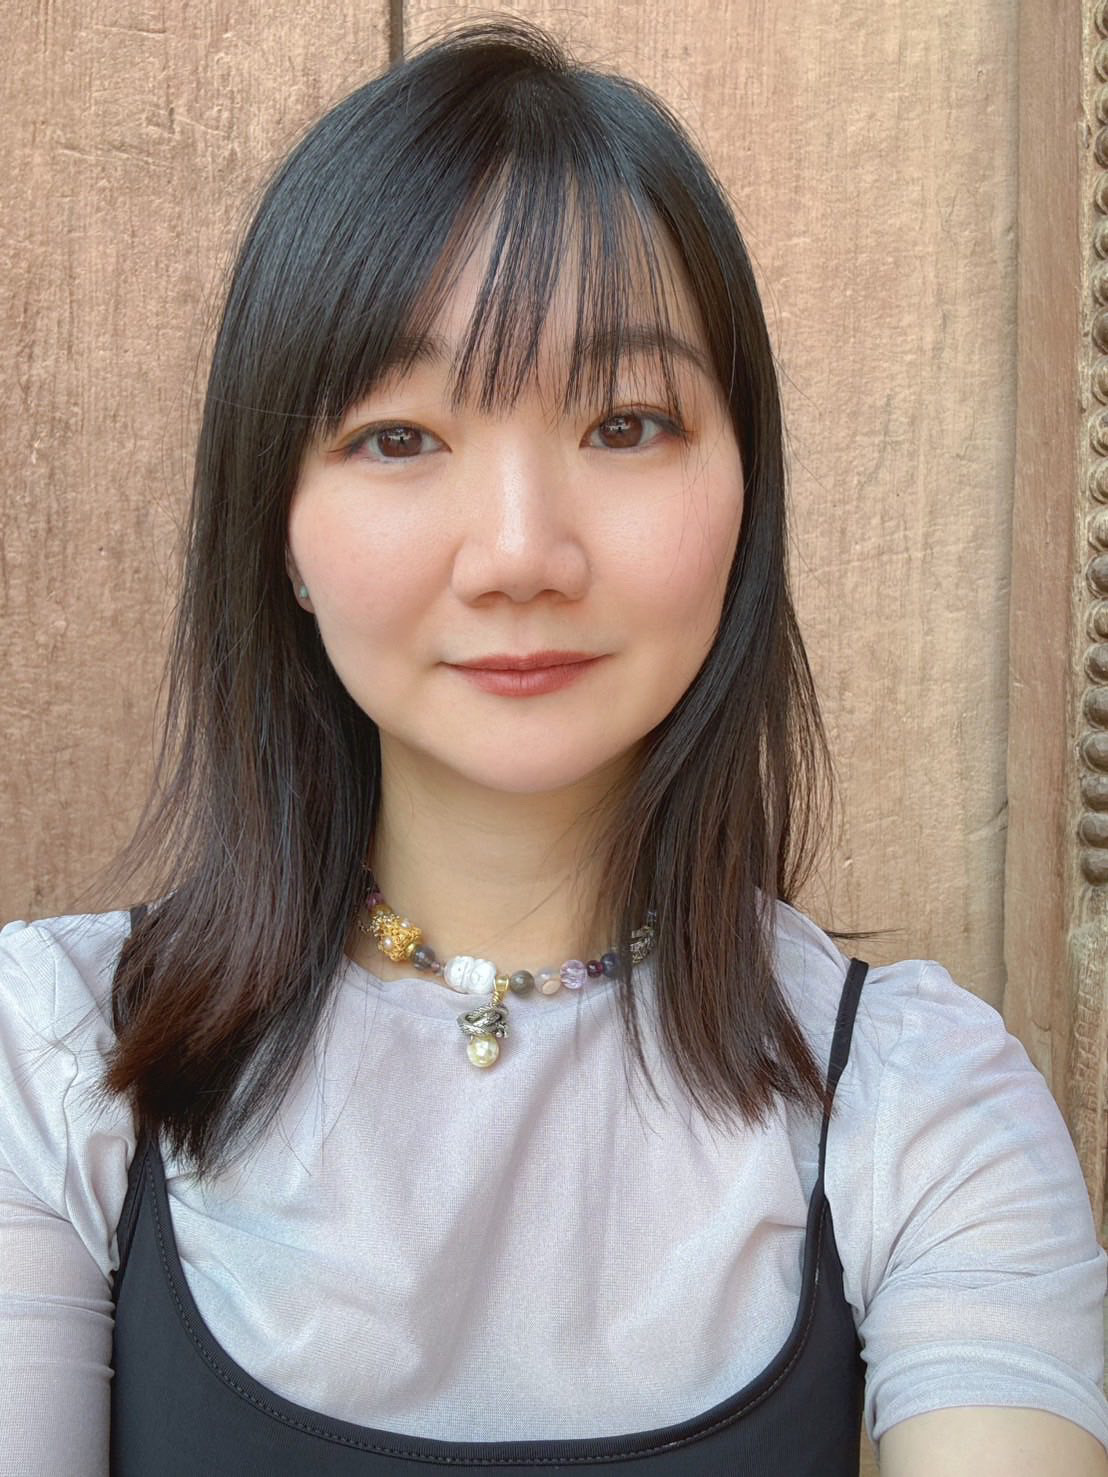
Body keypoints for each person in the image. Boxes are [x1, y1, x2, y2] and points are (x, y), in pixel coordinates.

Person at [1, 16, 1106, 1476]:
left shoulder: (922, 1103)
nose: (522, 552)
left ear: (748, 497)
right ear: (280, 530)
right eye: (399, 437)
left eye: (627, 423)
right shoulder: (57, 1058)